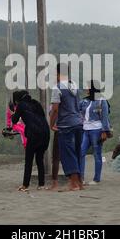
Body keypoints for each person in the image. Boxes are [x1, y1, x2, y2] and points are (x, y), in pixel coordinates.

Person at [49, 63, 84, 191]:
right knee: (77, 152)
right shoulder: (74, 85)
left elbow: (55, 109)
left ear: (58, 74)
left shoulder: (57, 88)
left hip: (65, 124)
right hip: (78, 123)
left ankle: (73, 183)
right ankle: (80, 182)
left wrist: (51, 124)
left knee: (67, 154)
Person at [11, 90, 50, 191]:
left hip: (34, 134)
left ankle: (25, 185)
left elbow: (14, 120)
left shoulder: (21, 105)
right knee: (39, 160)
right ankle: (41, 185)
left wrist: (14, 113)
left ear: (17, 100)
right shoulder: (36, 103)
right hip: (45, 133)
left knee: (29, 160)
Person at [79, 80, 111, 185]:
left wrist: (105, 131)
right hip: (85, 129)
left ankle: (96, 179)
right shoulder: (84, 101)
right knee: (81, 152)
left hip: (97, 129)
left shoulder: (101, 100)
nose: (86, 89)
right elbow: (78, 111)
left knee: (97, 154)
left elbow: (105, 117)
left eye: (88, 87)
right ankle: (81, 178)